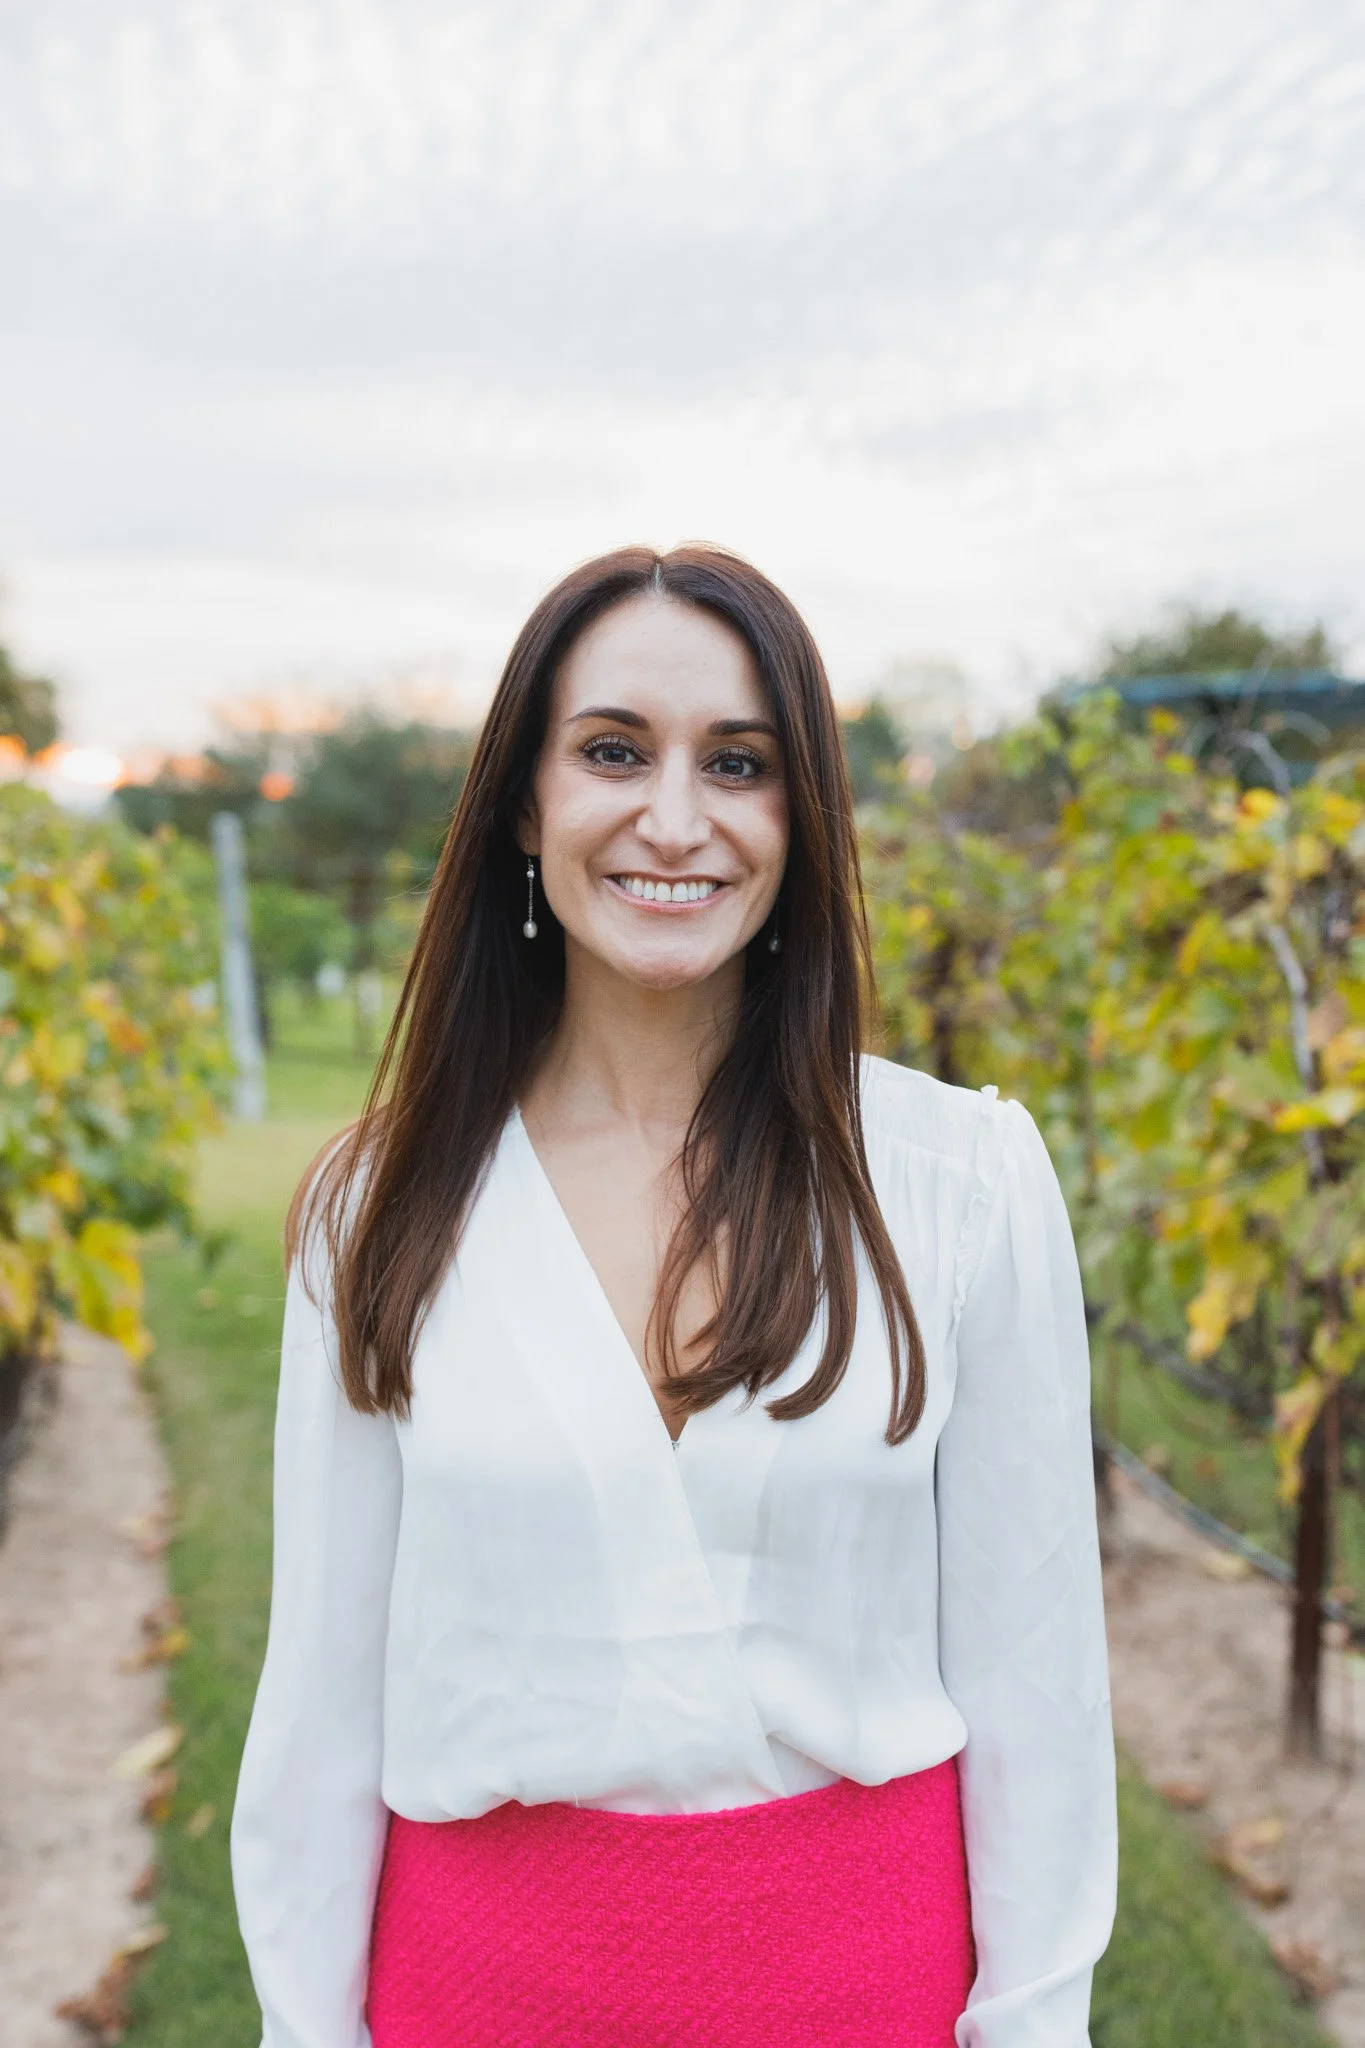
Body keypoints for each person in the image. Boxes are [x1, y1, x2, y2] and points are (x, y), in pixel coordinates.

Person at [231, 544, 1117, 2048]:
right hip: (480, 1999)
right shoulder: (378, 1206)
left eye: (740, 763)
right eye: (614, 751)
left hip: (867, 1997)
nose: (674, 817)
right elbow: (319, 1713)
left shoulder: (958, 1180)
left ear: (802, 814)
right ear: (526, 800)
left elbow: (1040, 1695)